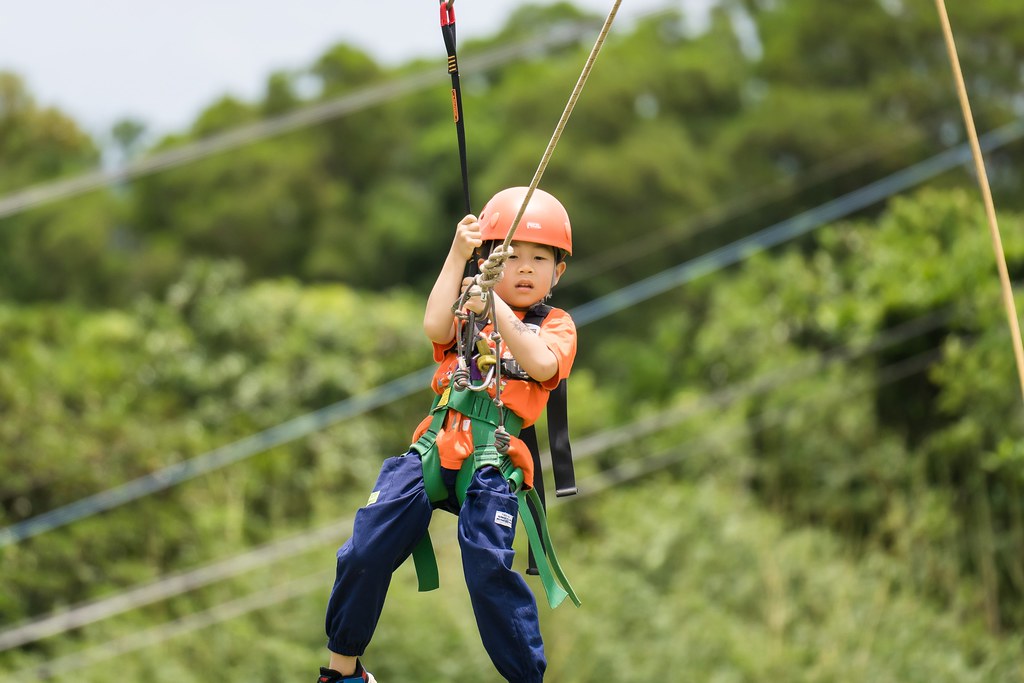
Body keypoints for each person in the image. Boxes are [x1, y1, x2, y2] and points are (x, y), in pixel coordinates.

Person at [317, 187, 577, 683]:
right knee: (365, 546)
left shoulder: (556, 325)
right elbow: (435, 324)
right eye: (511, 256)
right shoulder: (470, 307)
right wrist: (460, 256)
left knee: (488, 567)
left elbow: (542, 364)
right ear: (489, 263)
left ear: (556, 272)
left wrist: (495, 308)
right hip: (437, 443)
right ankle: (345, 670)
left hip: (493, 459)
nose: (524, 268)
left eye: (538, 259)